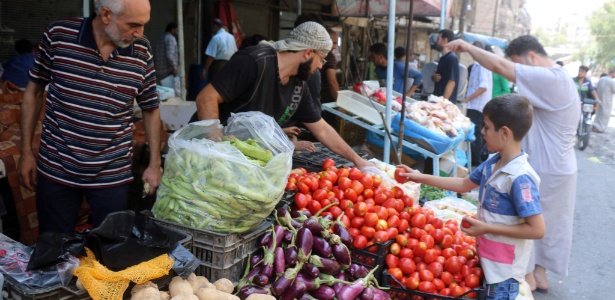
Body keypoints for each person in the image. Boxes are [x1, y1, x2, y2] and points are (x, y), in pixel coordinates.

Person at [447, 35, 580, 293]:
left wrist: (467, 46)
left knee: (526, 222)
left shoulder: (552, 77)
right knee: (547, 223)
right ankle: (536, 276)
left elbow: (500, 67)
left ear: (531, 57)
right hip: (558, 164)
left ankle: (524, 282)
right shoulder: (560, 79)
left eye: (521, 65)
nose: (520, 75)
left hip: (549, 165)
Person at [19, 0, 162, 235]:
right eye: (134, 25)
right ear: (106, 15)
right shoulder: (59, 36)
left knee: (110, 252)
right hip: (57, 166)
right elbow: (33, 92)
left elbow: (151, 107)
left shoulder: (141, 50)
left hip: (112, 172)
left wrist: (154, 164)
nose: (140, 33)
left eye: (144, 24)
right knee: (54, 250)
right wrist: (25, 153)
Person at [398, 94, 545, 300]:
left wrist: (486, 228)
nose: (482, 132)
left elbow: (537, 229)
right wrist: (417, 177)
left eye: (486, 127)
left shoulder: (520, 178)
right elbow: (464, 184)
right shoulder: (494, 163)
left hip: (504, 274)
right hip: (488, 261)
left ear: (504, 133)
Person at [192, 21, 370, 168]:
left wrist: (358, 161)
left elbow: (322, 129)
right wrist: (216, 145)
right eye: (321, 59)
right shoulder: (254, 61)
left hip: (241, 159)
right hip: (203, 153)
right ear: (308, 52)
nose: (321, 66)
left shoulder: (300, 85)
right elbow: (206, 98)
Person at [464, 41, 493, 167]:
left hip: (477, 106)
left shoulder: (482, 66)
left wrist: (468, 99)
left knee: (476, 134)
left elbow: (483, 87)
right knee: (476, 133)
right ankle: (474, 159)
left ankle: (476, 161)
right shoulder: (476, 66)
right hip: (475, 105)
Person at [432, 29, 460, 103]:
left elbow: (451, 82)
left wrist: (443, 103)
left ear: (445, 40)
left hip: (444, 105)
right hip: (438, 100)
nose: (436, 41)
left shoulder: (452, 58)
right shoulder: (443, 58)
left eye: (438, 39)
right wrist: (434, 77)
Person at [320, 27, 340, 104]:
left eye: (336, 43)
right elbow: (332, 82)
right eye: (333, 43)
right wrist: (339, 103)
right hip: (325, 99)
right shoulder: (329, 56)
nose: (335, 47)